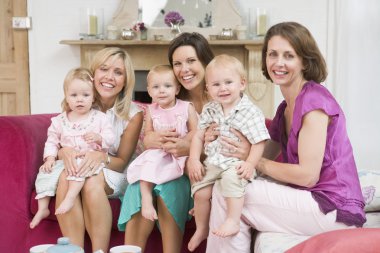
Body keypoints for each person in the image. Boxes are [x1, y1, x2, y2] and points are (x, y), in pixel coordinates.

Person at [206, 22, 366, 252]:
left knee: (226, 190)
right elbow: (258, 154)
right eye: (273, 54)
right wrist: (216, 136)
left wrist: (254, 160)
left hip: (332, 208)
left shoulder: (313, 104)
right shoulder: (285, 109)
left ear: (304, 61)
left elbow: (307, 176)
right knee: (232, 184)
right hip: (313, 201)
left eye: (288, 55)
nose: (278, 63)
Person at [118, 32, 218, 253]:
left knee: (169, 186)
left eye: (191, 61)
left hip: (196, 174)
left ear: (206, 61)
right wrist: (150, 139)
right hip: (166, 164)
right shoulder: (168, 102)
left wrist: (190, 149)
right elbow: (149, 138)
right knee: (138, 185)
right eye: (177, 64)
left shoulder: (222, 96)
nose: (184, 69)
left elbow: (221, 148)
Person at [55, 47, 144, 252]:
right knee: (65, 177)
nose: (109, 77)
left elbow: (122, 161)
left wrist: (101, 156)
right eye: (104, 69)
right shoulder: (79, 100)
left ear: (125, 80)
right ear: (93, 74)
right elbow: (61, 140)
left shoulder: (133, 114)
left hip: (114, 172)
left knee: (91, 181)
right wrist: (62, 152)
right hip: (78, 167)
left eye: (118, 72)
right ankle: (73, 249)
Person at [187, 54, 270, 251]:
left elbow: (260, 141)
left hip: (235, 163)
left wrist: (250, 164)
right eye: (216, 84)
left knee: (231, 180)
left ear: (242, 84)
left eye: (228, 82)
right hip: (214, 162)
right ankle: (201, 229)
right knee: (200, 191)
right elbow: (198, 136)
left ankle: (232, 220)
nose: (222, 88)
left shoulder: (250, 111)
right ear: (208, 89)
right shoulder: (210, 109)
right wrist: (194, 159)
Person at [30, 67, 115, 229]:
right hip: (65, 161)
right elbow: (52, 141)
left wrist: (99, 138)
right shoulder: (59, 121)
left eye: (85, 95)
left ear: (93, 97)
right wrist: (49, 159)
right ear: (67, 97)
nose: (80, 100)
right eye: (74, 95)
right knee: (44, 174)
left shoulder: (100, 119)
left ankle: (70, 197)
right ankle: (43, 208)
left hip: (88, 161)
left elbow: (110, 139)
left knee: (77, 170)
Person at [126, 64, 198, 221]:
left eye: (167, 86)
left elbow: (195, 131)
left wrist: (182, 142)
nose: (162, 90)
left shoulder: (186, 107)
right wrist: (157, 139)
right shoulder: (151, 110)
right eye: (156, 87)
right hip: (159, 151)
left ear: (177, 89)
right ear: (149, 91)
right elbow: (149, 133)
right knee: (147, 166)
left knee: (192, 169)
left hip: (181, 151)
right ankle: (146, 200)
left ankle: (197, 201)